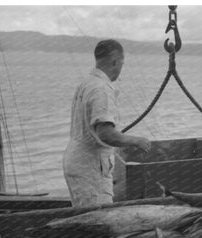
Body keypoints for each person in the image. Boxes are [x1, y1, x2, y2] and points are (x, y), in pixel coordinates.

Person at [63, 39, 151, 207]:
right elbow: (105, 133)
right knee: (98, 222)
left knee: (85, 220)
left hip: (78, 162)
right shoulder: (101, 89)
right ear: (116, 61)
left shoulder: (87, 83)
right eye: (122, 63)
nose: (121, 68)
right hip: (90, 169)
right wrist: (136, 141)